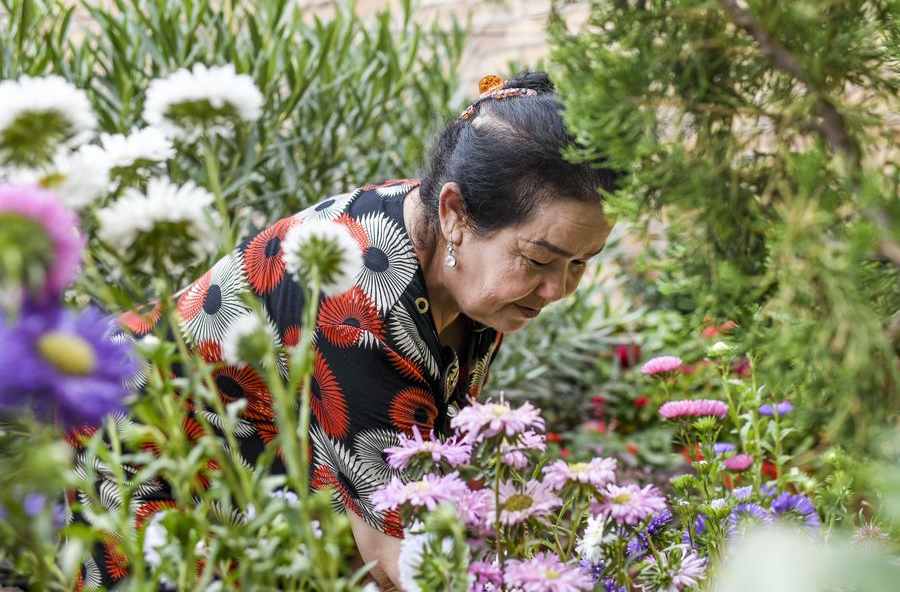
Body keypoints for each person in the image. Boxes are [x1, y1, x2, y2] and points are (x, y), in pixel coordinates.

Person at [68, 71, 617, 590]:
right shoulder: (360, 295)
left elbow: (416, 475)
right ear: (454, 212)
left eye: (580, 263)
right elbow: (396, 552)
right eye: (539, 260)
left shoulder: (470, 263)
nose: (558, 289)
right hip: (133, 444)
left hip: (255, 479)